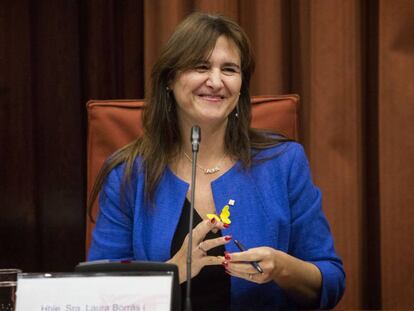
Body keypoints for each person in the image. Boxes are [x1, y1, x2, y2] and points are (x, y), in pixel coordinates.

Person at [88, 12, 345, 310]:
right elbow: (98, 293)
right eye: (200, 66)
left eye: (229, 69)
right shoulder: (129, 174)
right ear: (170, 79)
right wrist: (173, 271)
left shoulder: (284, 163)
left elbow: (331, 279)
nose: (215, 81)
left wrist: (282, 267)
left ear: (241, 85)